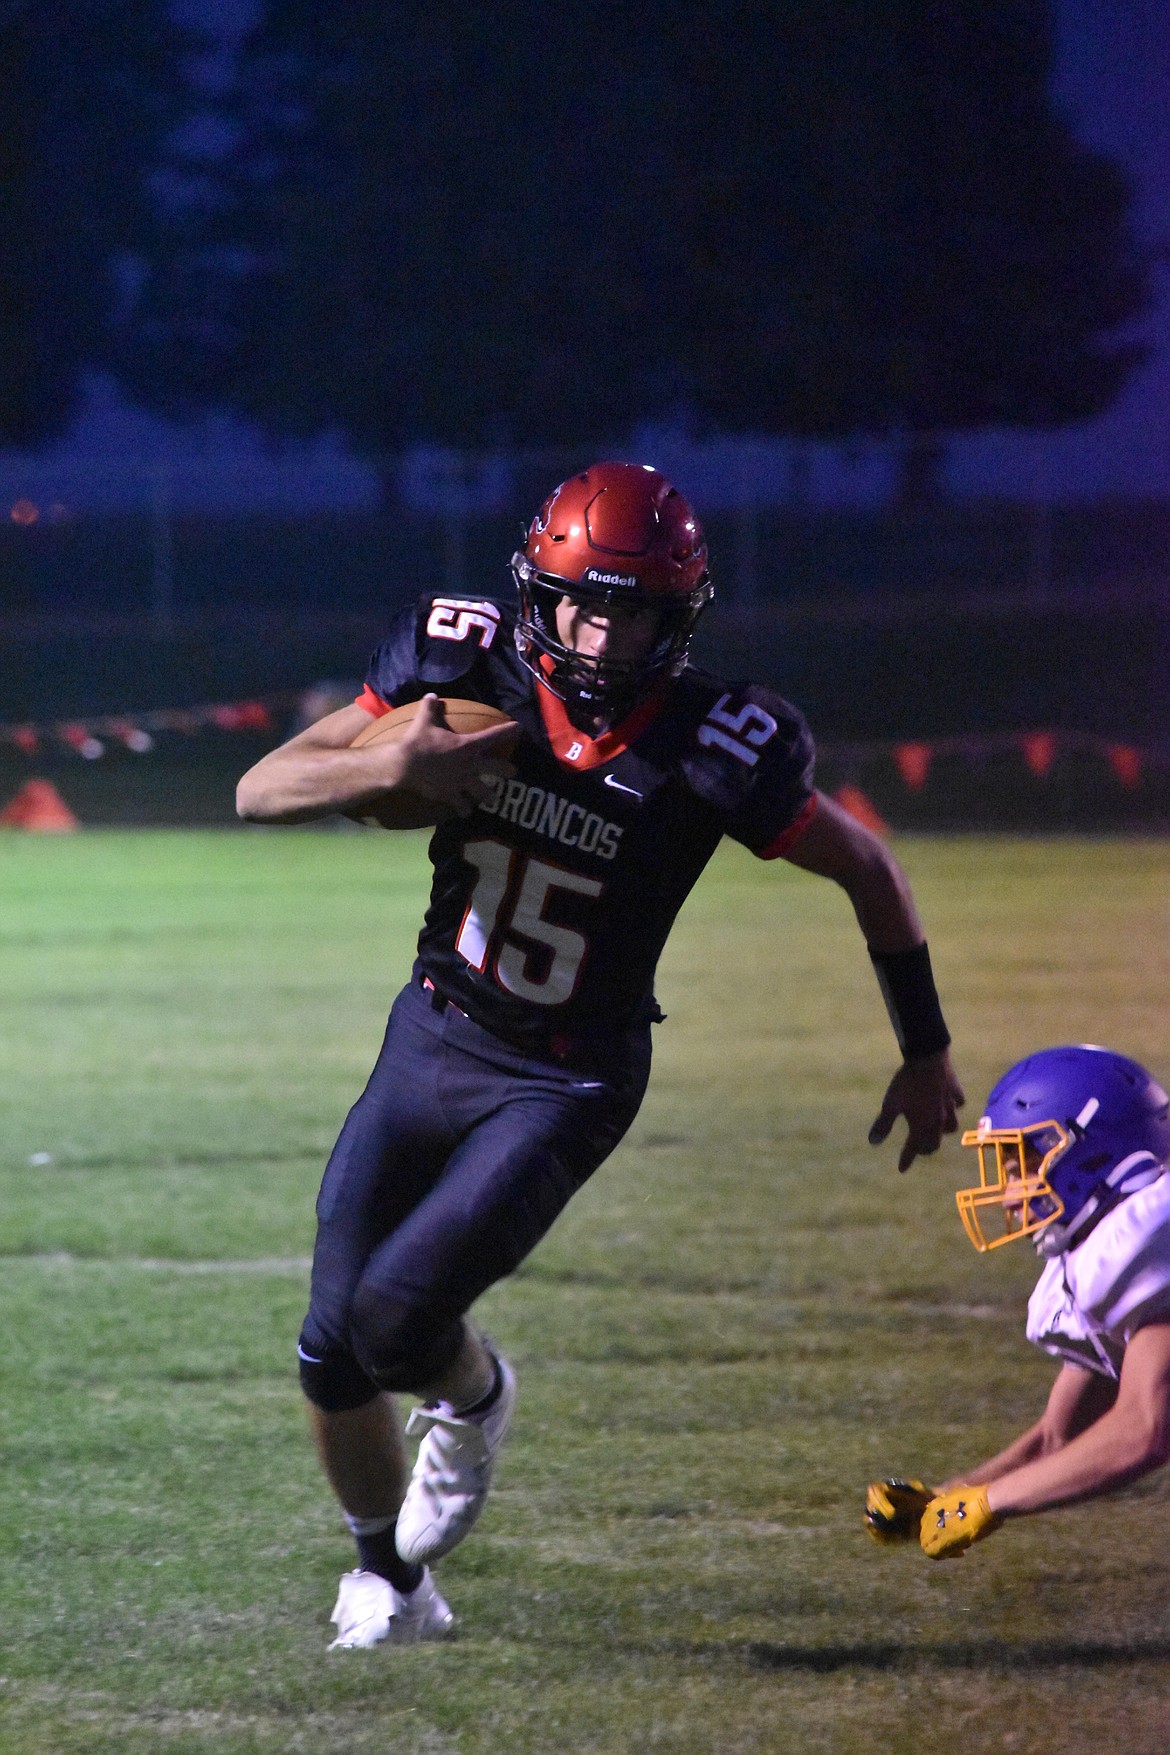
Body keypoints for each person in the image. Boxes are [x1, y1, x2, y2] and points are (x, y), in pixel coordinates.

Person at [237, 460, 964, 1647]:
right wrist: (384, 767)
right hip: (435, 1026)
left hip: (566, 1076)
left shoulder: (714, 744)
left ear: (676, 618)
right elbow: (259, 789)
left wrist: (924, 1049)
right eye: (582, 598)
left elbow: (870, 869)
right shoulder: (462, 672)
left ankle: (476, 1396)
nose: (601, 626)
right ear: (536, 590)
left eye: (632, 606)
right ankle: (389, 1582)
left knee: (397, 1324)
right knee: (331, 1349)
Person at [865, 1044, 1170, 1560]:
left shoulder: (1150, 1240)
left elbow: (1143, 1430)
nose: (1009, 1196)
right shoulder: (1106, 1257)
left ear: (1098, 1152)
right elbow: (1063, 1436)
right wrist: (955, 1492)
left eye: (1024, 1163)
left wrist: (989, 1502)